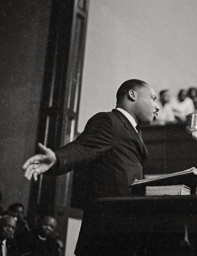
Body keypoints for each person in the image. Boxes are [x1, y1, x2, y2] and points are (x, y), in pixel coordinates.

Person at [22, 79, 159, 255]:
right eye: (153, 98)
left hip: (124, 234)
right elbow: (83, 148)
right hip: (105, 237)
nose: (157, 107)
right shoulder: (109, 121)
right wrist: (56, 159)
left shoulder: (134, 132)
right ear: (132, 94)